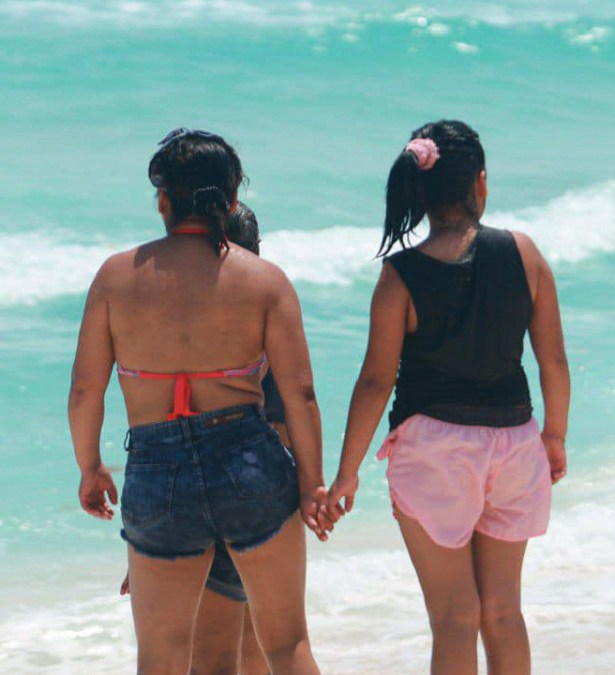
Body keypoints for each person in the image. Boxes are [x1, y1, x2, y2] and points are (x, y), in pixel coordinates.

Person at [68, 128, 328, 674]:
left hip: (157, 468)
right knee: (285, 644)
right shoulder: (264, 280)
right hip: (249, 459)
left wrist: (90, 467)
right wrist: (312, 484)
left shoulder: (116, 278)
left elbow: (86, 389)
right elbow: (300, 394)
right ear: (231, 201)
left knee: (162, 656)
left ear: (163, 200)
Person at [327, 120, 570, 675]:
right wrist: (553, 435)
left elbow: (374, 381)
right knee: (504, 613)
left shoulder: (401, 276)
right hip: (514, 442)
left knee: (455, 617)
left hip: (433, 449)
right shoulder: (524, 253)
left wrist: (346, 472)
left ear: (418, 192)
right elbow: (552, 360)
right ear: (480, 185)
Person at [116, 202, 278, 675]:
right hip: (257, 504)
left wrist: (146, 548)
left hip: (190, 508)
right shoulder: (262, 319)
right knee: (259, 648)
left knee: (205, 659)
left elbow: (166, 450)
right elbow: (290, 419)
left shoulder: (182, 340)